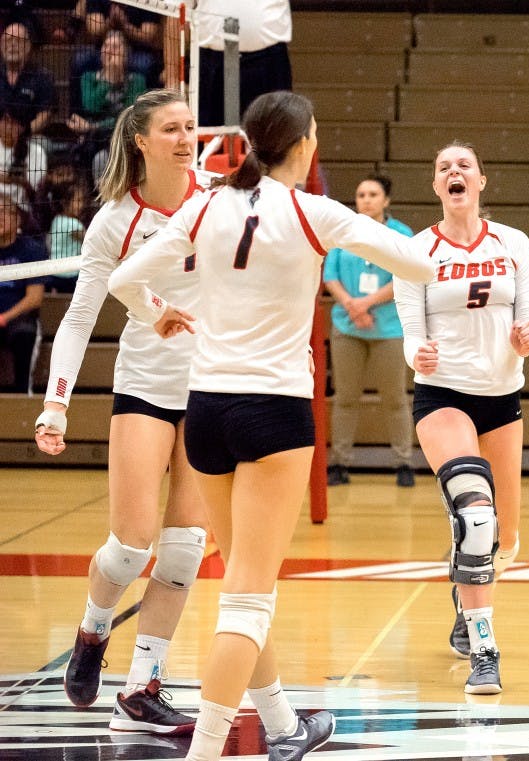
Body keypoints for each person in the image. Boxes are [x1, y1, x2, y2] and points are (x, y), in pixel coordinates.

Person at [106, 90, 434, 761]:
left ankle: (283, 724)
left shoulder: (205, 203)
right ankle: (206, 752)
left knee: (243, 582)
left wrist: (156, 312)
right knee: (249, 598)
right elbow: (422, 266)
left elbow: (125, 281)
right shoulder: (314, 213)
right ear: (305, 145)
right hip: (273, 414)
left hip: (207, 412)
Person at [34, 88, 210, 735]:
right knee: (131, 545)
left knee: (186, 549)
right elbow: (80, 318)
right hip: (146, 387)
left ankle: (142, 687)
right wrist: (55, 404)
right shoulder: (115, 220)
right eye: (172, 127)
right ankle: (93, 627)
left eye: (190, 126)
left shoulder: (216, 200)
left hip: (211, 388)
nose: (187, 136)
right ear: (141, 139)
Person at [393, 141, 529, 694]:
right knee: (476, 516)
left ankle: (464, 592)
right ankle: (485, 649)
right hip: (442, 396)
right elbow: (411, 334)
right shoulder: (417, 251)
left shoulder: (514, 243)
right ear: (436, 187)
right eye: (443, 168)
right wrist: (417, 355)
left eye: (463, 167)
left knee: (504, 538)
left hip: (501, 398)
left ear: (481, 181)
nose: (453, 173)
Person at [323, 174, 416, 488]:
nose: (366, 199)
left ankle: (403, 463)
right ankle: (339, 463)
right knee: (345, 398)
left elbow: (406, 276)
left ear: (386, 200)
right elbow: (330, 276)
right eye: (361, 194)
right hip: (347, 327)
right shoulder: (342, 230)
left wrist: (367, 304)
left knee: (395, 399)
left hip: (388, 328)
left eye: (373, 194)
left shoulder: (401, 234)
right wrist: (352, 305)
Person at [195, 0, 292, 127]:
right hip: (213, 61)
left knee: (274, 132)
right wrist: (172, 79)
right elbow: (174, 9)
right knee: (212, 136)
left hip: (269, 58)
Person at [68, 29, 146, 183]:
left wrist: (92, 126)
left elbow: (128, 115)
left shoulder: (137, 80)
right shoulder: (88, 78)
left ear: (126, 55)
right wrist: (109, 78)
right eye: (106, 46)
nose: (109, 51)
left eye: (115, 47)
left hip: (125, 136)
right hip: (95, 139)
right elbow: (91, 106)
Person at [0, 195, 44, 392]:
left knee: (24, 335)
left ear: (17, 219)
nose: (0, 217)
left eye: (4, 212)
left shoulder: (31, 250)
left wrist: (3, 317)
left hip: (18, 319)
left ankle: (23, 395)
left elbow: (34, 298)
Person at [0, 20, 54, 137]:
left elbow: (45, 115)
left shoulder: (42, 77)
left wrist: (23, 133)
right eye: (8, 40)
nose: (12, 45)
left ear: (28, 47)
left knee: (43, 146)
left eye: (18, 41)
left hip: (29, 137)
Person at [45, 178, 89, 293]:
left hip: (53, 271)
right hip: (69, 274)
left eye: (82, 200)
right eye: (78, 200)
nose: (82, 205)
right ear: (64, 202)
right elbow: (91, 241)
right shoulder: (74, 224)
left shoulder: (57, 219)